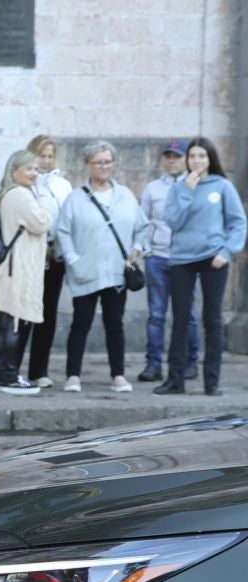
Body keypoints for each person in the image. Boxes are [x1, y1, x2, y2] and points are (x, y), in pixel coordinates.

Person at [155, 136, 246, 397]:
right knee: (181, 319)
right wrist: (187, 190)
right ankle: (175, 381)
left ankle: (211, 382)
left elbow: (238, 222)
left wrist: (227, 251)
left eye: (201, 156)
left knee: (212, 319)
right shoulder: (179, 187)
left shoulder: (222, 186)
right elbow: (173, 221)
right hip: (182, 259)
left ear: (210, 159)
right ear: (187, 160)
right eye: (192, 156)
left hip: (213, 258)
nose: (196, 161)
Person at [53, 141, 145, 393]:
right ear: (87, 165)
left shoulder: (125, 195)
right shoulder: (75, 198)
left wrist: (137, 249)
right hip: (86, 271)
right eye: (98, 162)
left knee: (115, 323)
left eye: (107, 161)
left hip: (116, 271)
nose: (104, 166)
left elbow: (142, 226)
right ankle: (73, 375)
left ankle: (118, 375)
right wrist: (73, 259)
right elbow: (62, 231)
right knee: (81, 322)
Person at [0, 149, 51, 395]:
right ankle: (9, 376)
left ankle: (3, 375)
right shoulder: (22, 195)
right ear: (15, 171)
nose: (35, 173)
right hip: (17, 268)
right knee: (12, 323)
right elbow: (42, 222)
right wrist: (43, 196)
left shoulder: (5, 194)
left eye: (36, 169)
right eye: (29, 169)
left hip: (7, 266)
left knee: (5, 324)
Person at [139, 141, 199, 382]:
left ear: (185, 159)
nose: (172, 160)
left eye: (177, 156)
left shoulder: (195, 186)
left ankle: (189, 361)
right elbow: (142, 222)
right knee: (156, 313)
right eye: (168, 156)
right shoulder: (153, 188)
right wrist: (145, 250)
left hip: (186, 259)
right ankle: (153, 363)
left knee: (188, 314)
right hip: (158, 257)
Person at [24, 134, 73, 388]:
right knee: (23, 312)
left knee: (47, 312)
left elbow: (68, 217)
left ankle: (39, 369)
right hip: (29, 252)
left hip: (54, 253)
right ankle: (13, 366)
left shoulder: (62, 186)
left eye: (49, 156)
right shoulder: (24, 182)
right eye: (41, 155)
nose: (45, 161)